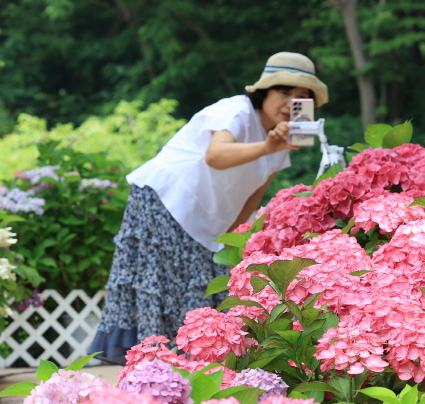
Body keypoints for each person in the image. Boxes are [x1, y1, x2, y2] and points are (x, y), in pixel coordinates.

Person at [88, 51, 329, 363]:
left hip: (207, 222)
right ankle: (152, 364)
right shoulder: (235, 111)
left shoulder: (281, 149)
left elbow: (252, 198)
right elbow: (215, 156)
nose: (289, 103)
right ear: (263, 91)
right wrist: (269, 145)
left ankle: (184, 367)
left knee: (205, 291)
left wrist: (233, 241)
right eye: (283, 92)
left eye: (301, 97)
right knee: (163, 287)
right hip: (165, 199)